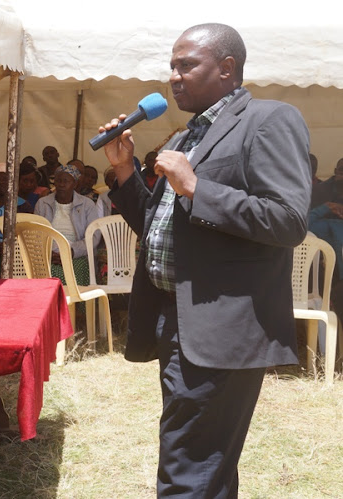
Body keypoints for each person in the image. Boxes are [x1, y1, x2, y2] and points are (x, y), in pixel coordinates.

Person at [99, 23, 310, 496]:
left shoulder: (269, 120)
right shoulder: (184, 138)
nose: (174, 76)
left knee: (188, 467)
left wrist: (197, 186)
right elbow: (159, 226)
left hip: (223, 326)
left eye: (186, 65)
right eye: (172, 65)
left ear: (227, 69)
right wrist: (124, 169)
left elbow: (289, 220)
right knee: (204, 461)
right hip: (178, 318)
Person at [34, 164, 102, 286]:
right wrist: (49, 253)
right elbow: (36, 234)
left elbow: (94, 237)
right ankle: (55, 304)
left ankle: (75, 304)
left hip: (76, 253)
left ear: (75, 184)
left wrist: (71, 251)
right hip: (49, 253)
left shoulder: (87, 204)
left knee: (76, 269)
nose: (61, 184)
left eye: (66, 181)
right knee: (51, 271)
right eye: (58, 180)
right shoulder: (42, 203)